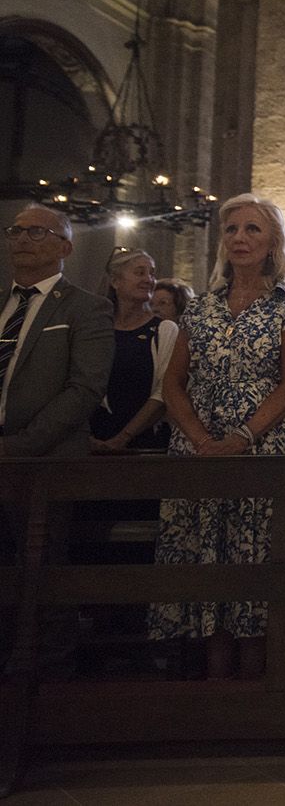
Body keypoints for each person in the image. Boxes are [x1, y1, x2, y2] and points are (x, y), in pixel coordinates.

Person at [150, 193, 285, 679]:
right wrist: (201, 438)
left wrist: (242, 436)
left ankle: (255, 684)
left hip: (262, 451)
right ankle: (211, 683)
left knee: (254, 559)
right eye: (232, 230)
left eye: (252, 230)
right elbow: (173, 383)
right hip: (199, 453)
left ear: (272, 244)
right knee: (207, 557)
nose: (240, 239)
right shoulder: (200, 310)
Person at [0, 204, 113, 676]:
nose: (23, 239)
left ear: (65, 247)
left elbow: (84, 388)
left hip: (43, 462)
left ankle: (40, 678)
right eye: (16, 230)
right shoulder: (3, 305)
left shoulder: (85, 307)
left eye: (37, 232)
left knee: (41, 574)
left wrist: (17, 447)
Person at [91, 248, 178, 452]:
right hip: (93, 440)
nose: (148, 279)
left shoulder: (163, 330)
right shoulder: (96, 329)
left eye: (152, 273)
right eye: (139, 272)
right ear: (115, 281)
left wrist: (122, 438)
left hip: (145, 443)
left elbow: (164, 391)